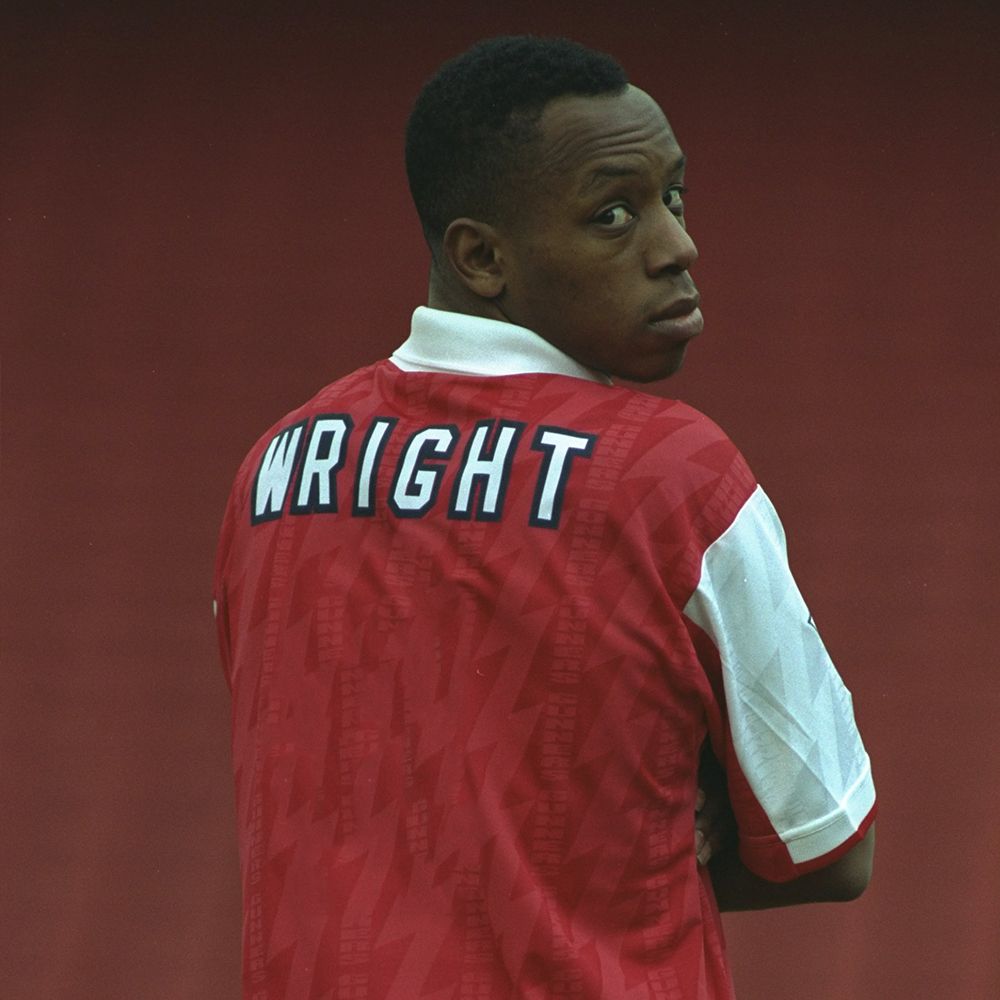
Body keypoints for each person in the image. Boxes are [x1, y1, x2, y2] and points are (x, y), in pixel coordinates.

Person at [213, 35, 876, 1000]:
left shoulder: (271, 470)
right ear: (482, 257)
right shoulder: (673, 476)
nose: (676, 247)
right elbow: (830, 842)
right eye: (614, 215)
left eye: (673, 198)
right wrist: (657, 833)